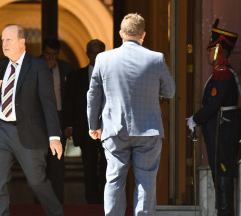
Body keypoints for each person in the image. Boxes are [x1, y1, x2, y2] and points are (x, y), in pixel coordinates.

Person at [87, 13, 175, 215]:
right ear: (143, 35)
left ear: (121, 34)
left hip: (115, 129)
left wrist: (93, 125)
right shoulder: (156, 58)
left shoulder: (103, 58)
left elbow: (93, 95)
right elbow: (170, 91)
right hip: (148, 130)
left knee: (114, 179)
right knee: (146, 181)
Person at [0, 24, 64, 216]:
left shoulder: (38, 67)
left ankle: (56, 213)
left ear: (22, 42)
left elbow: (48, 103)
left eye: (9, 40)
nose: (4, 43)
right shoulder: (0, 66)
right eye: (3, 40)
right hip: (2, 130)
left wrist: (54, 136)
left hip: (29, 131)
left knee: (37, 181)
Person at [187, 19, 239, 216]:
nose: (208, 54)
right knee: (219, 173)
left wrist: (196, 119)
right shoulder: (219, 73)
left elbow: (213, 105)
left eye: (210, 50)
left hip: (223, 130)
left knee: (223, 171)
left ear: (217, 50)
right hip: (220, 129)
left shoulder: (222, 73)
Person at [64, 39, 107, 204]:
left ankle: (104, 202)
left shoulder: (112, 75)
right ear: (87, 54)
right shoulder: (76, 76)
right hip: (86, 129)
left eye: (99, 53)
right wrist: (69, 125)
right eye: (93, 53)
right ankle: (92, 203)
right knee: (88, 168)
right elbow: (70, 101)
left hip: (107, 129)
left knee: (107, 168)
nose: (96, 56)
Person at [41, 37, 74, 203]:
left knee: (58, 162)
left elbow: (71, 98)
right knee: (41, 162)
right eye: (47, 54)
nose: (51, 58)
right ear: (43, 53)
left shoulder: (66, 68)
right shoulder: (35, 67)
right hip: (40, 120)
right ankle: (41, 202)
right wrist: (46, 70)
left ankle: (57, 201)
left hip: (59, 118)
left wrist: (68, 123)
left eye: (54, 54)